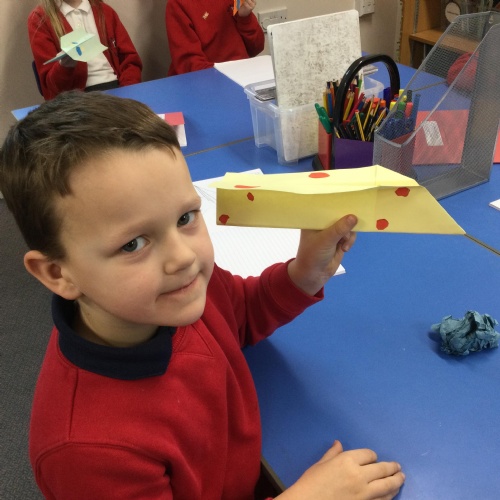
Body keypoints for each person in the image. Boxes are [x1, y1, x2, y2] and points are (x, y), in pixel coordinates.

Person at [0, 91, 405, 499]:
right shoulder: (85, 453)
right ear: (58, 273)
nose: (183, 256)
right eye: (133, 244)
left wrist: (304, 275)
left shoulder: (178, 293)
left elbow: (240, 313)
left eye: (185, 218)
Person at [28, 0, 142, 100]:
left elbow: (131, 61)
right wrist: (64, 67)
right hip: (76, 99)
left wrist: (127, 93)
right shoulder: (39, 18)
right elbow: (52, 89)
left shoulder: (105, 11)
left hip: (117, 88)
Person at [166, 0, 265, 76]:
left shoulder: (234, 1)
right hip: (206, 81)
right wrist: (229, 76)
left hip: (241, 75)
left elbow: (256, 47)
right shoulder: (178, 4)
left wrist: (245, 17)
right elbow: (188, 64)